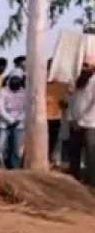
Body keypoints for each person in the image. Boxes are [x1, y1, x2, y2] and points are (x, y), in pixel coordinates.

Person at [68, 57, 95, 185]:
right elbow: (73, 101)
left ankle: (91, 181)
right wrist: (72, 119)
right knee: (74, 151)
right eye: (83, 65)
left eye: (87, 65)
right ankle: (74, 178)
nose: (84, 68)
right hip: (75, 122)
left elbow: (93, 104)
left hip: (90, 123)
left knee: (91, 152)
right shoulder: (79, 81)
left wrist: (81, 119)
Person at [0, 72, 27, 169]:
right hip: (4, 123)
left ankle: (15, 168)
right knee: (1, 148)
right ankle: (1, 167)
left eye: (17, 79)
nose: (15, 81)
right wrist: (10, 120)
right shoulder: (2, 91)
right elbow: (0, 108)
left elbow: (26, 109)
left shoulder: (25, 92)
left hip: (20, 123)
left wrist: (18, 120)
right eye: (13, 79)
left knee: (17, 149)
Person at [46, 58, 70, 166]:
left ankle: (54, 160)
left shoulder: (64, 83)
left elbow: (70, 98)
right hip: (44, 117)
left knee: (56, 141)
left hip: (57, 116)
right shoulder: (42, 81)